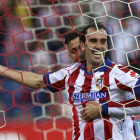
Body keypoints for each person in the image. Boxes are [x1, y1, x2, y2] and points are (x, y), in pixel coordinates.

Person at [0, 22, 140, 140]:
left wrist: (103, 108)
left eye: (102, 41)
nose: (79, 54)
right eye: (73, 51)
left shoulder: (119, 73)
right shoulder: (69, 73)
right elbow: (37, 81)